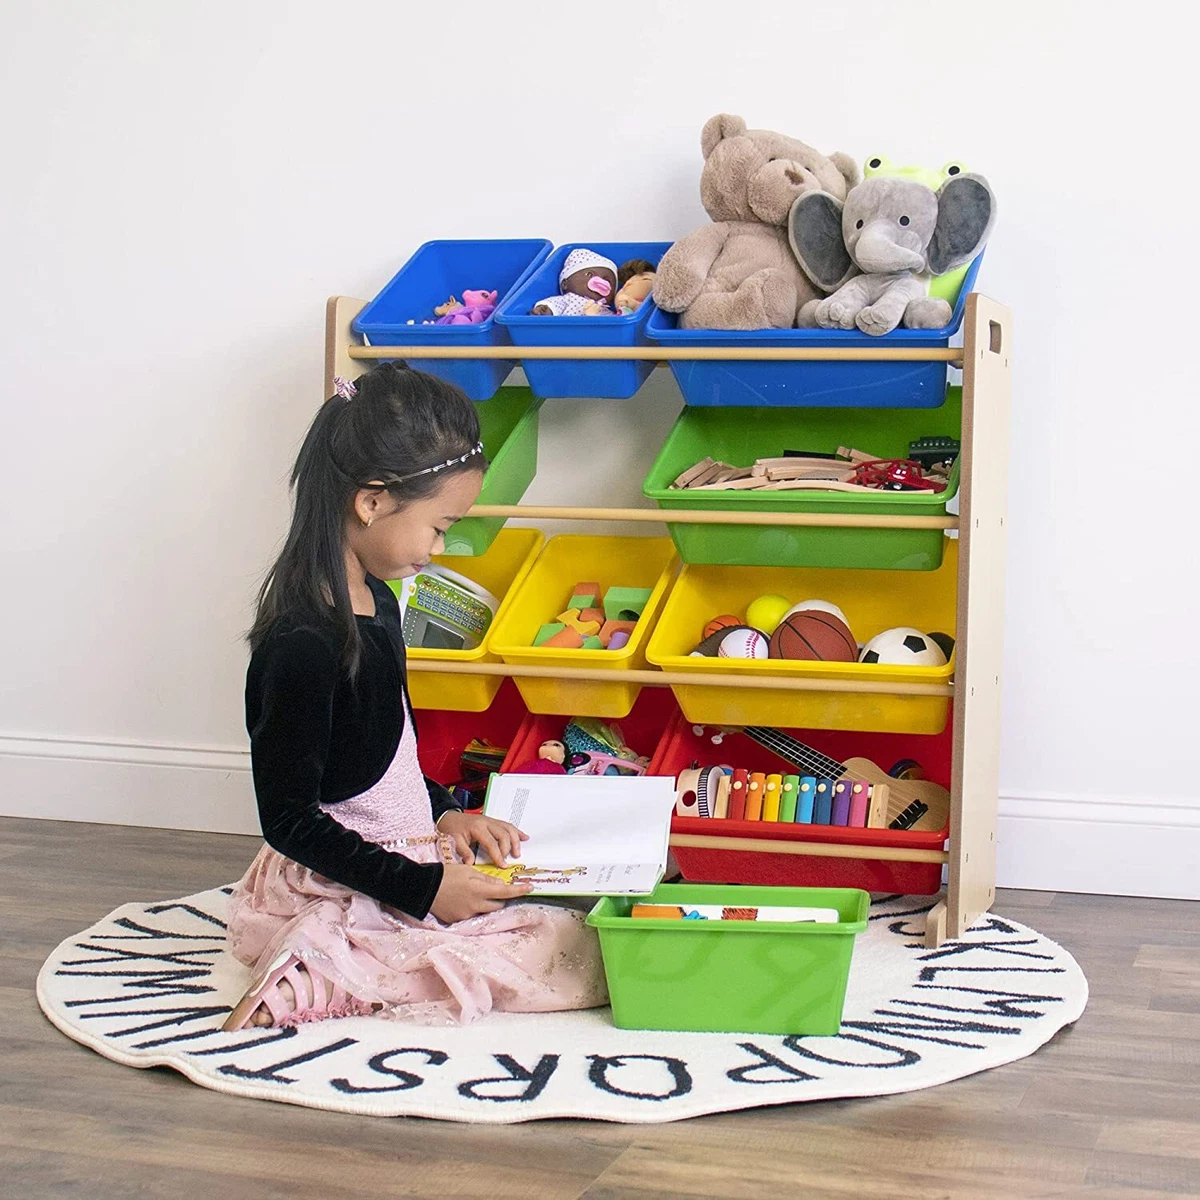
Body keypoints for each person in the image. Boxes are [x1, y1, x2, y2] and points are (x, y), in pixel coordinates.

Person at [223, 363, 608, 1030]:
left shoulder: (378, 600)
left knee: (565, 923)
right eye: (439, 526)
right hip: (337, 876)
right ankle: (312, 969)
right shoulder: (302, 643)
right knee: (551, 952)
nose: (441, 546)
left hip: (397, 850)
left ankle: (351, 953)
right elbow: (287, 817)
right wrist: (426, 887)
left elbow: (384, 754)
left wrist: (444, 814)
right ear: (371, 502)